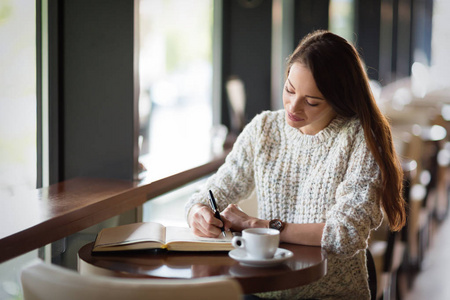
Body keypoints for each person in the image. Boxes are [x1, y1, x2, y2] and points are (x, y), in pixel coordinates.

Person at [185, 30, 406, 299]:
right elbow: (212, 193)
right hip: (263, 291)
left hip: (330, 293)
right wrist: (197, 212)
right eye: (289, 89)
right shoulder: (265, 128)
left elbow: (345, 233)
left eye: (311, 101)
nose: (293, 106)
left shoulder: (360, 138)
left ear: (339, 100)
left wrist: (258, 224)